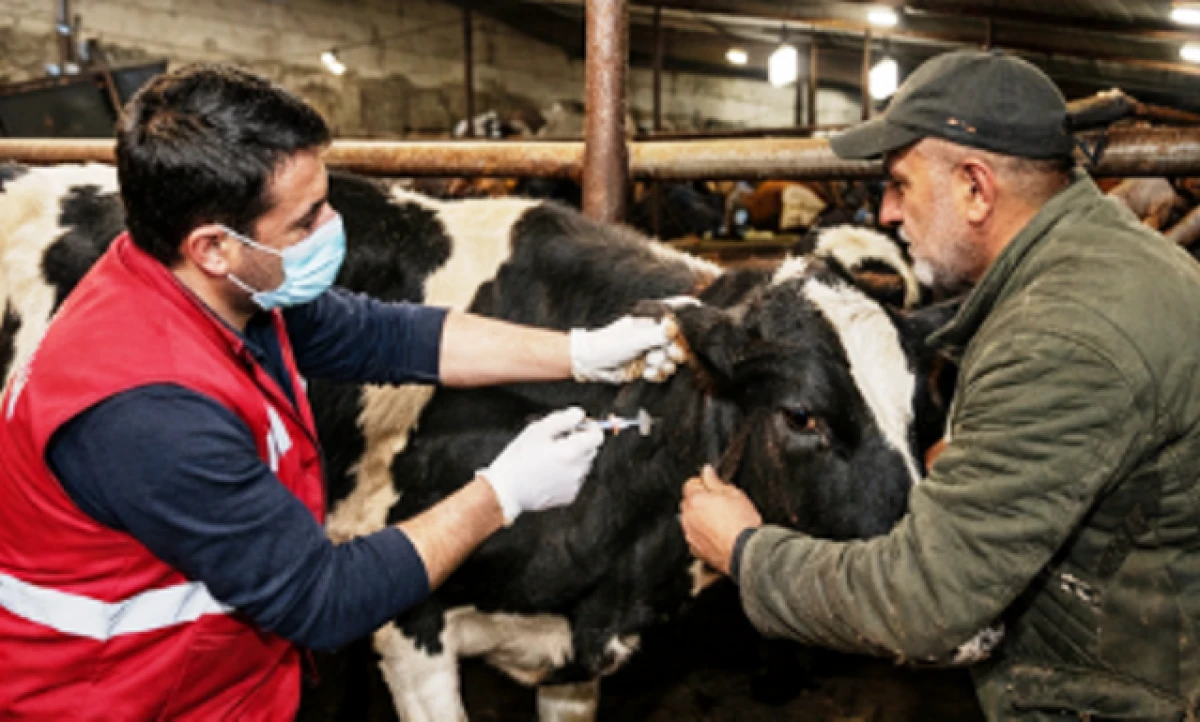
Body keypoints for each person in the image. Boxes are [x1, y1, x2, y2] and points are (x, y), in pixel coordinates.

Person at [0, 64, 683, 719]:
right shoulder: (147, 409)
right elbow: (323, 601)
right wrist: (502, 492)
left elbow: (387, 336)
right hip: (121, 700)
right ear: (213, 246)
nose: (332, 232)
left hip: (213, 681)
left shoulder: (200, 286)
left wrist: (583, 352)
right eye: (305, 222)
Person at [680, 49, 1200, 720]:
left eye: (900, 184)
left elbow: (927, 603)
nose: (889, 214)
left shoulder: (1058, 331)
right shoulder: (1112, 264)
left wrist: (747, 555)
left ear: (976, 189)